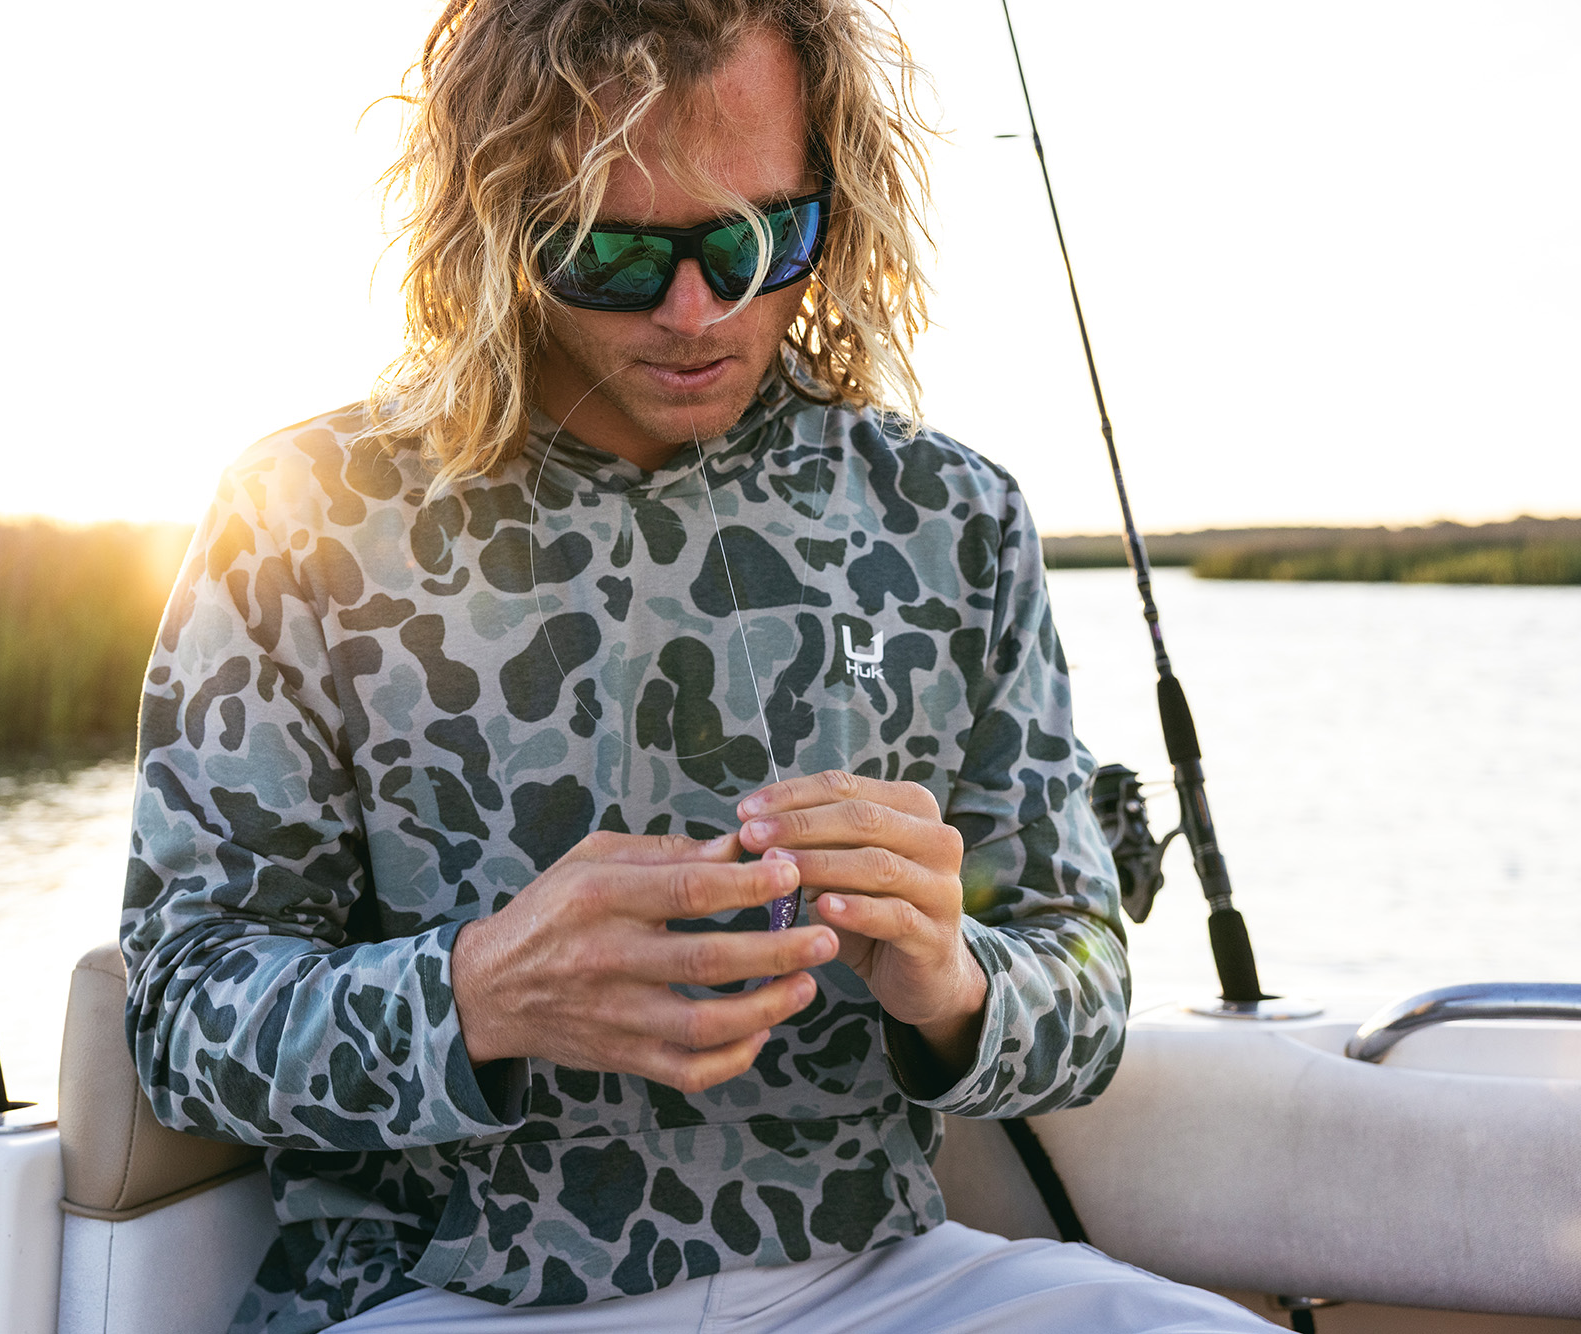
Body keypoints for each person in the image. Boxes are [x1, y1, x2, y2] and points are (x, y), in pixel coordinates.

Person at [123, 2, 1274, 1330]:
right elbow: (178, 1019)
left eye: (753, 242)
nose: (695, 309)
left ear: (835, 202)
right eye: (611, 252)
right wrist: (477, 990)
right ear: (497, 225)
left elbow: (1084, 985)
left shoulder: (956, 519)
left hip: (880, 1278)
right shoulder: (303, 512)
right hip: (445, 1290)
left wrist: (954, 984)